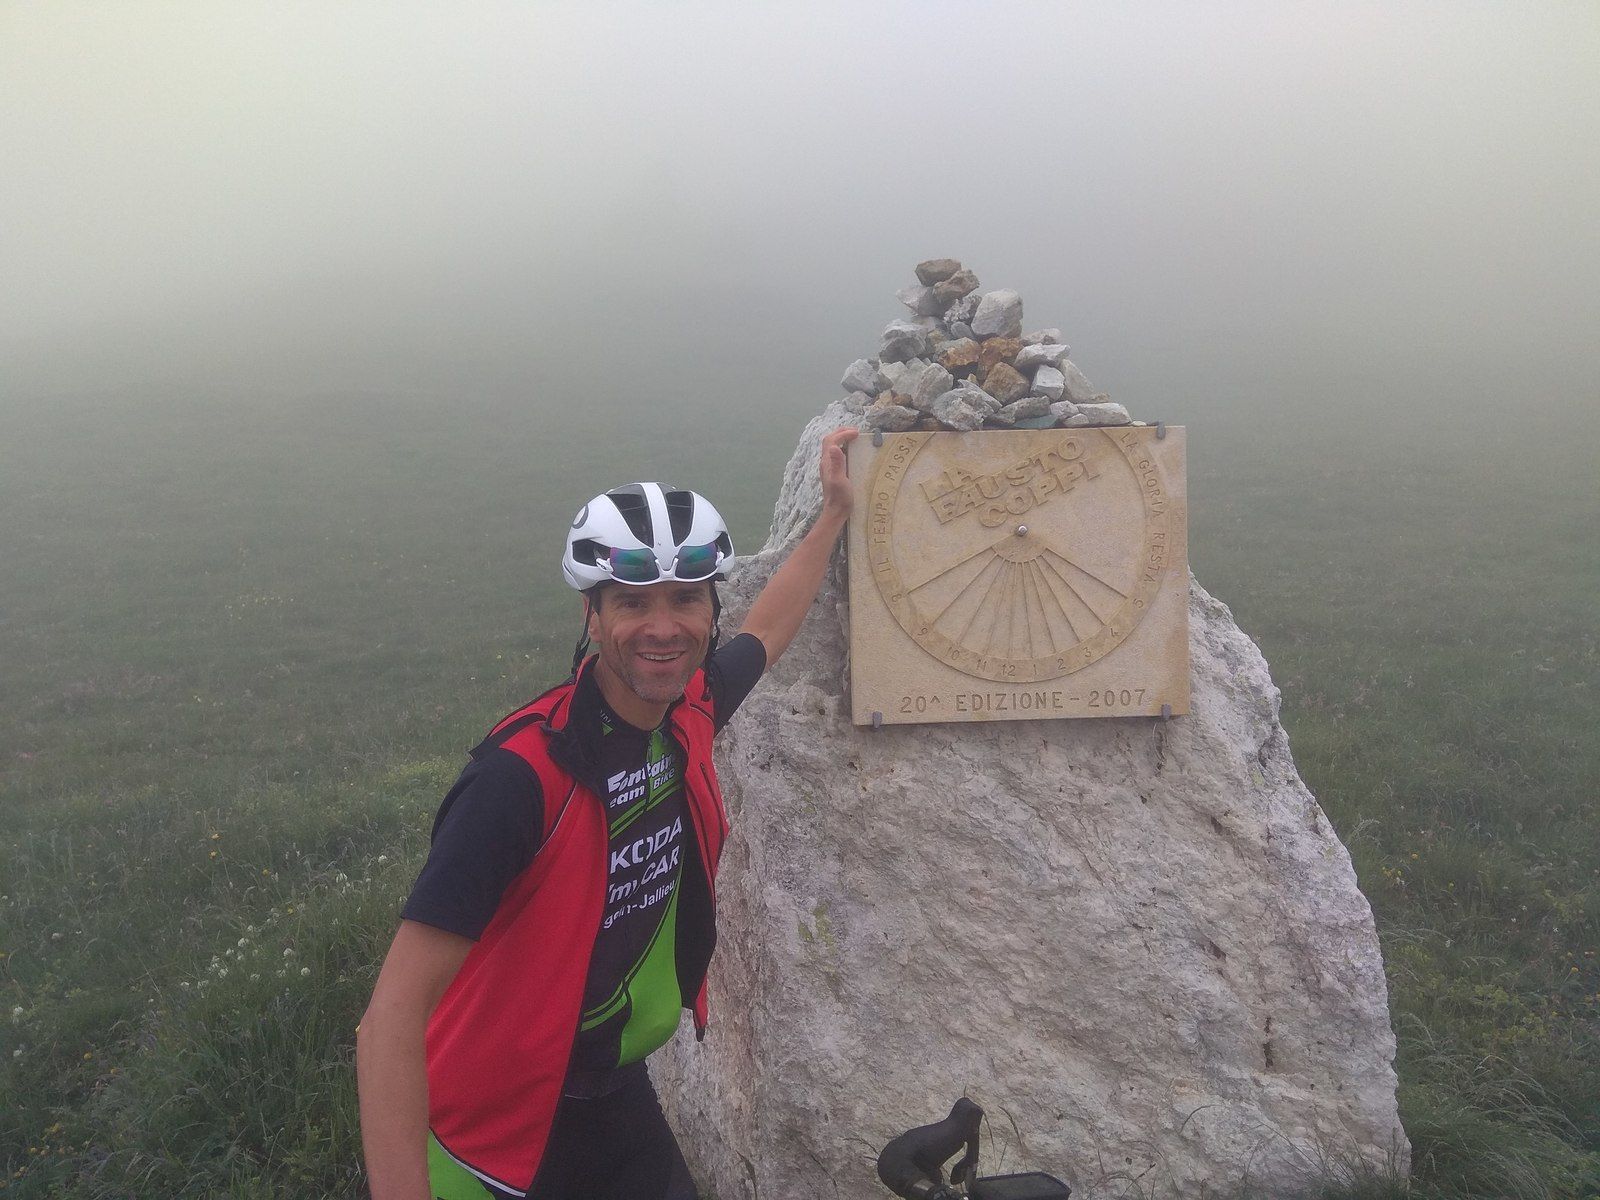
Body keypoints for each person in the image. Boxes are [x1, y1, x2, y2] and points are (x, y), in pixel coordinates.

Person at [357, 427, 859, 1200]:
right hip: (491, 1133)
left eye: (686, 598)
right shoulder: (519, 780)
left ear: (710, 608)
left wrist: (832, 517)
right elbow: (389, 1022)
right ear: (592, 617)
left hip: (613, 1088)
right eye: (632, 602)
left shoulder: (688, 714)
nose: (664, 627)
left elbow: (766, 631)